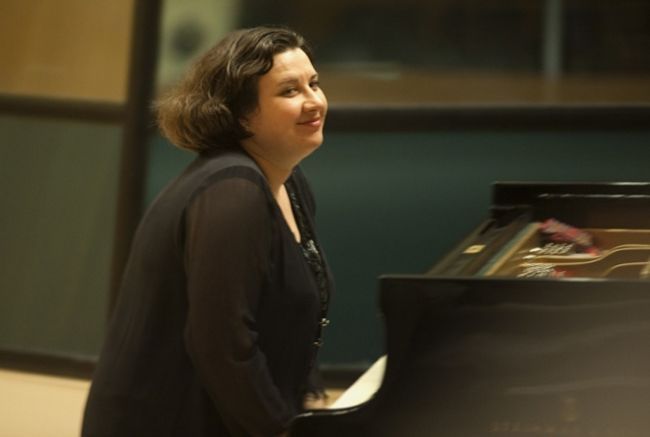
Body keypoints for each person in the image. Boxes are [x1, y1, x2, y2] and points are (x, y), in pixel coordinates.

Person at [82, 26, 333, 437]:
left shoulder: (290, 183)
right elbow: (222, 344)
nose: (314, 101)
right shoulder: (231, 192)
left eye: (314, 84)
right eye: (290, 91)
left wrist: (305, 401)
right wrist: (282, 430)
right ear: (240, 114)